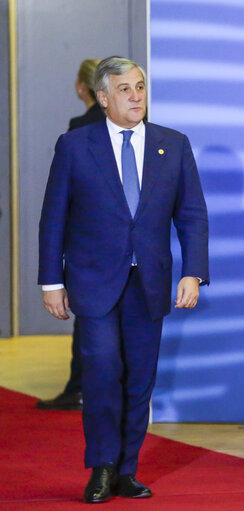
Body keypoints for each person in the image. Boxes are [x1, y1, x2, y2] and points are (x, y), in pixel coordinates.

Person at [38, 56, 209, 503]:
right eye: (125, 89)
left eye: (140, 87)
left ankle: (126, 470)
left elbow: (191, 215)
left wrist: (193, 271)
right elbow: (53, 218)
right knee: (101, 372)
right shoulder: (75, 145)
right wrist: (50, 281)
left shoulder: (173, 144)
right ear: (102, 97)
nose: (136, 96)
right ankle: (101, 465)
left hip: (149, 282)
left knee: (139, 380)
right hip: (93, 282)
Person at [36, 58, 105, 412]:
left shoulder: (79, 128)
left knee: (89, 327)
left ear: (83, 88)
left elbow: (65, 199)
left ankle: (79, 387)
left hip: (89, 248)